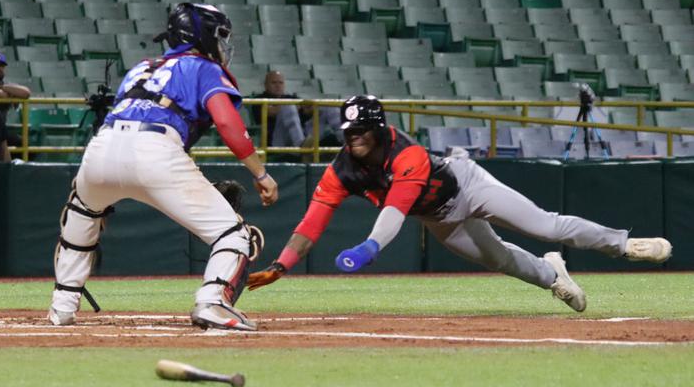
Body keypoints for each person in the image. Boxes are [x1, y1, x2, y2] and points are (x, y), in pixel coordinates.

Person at [247, 95, 672, 313]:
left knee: (545, 225)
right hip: (439, 216)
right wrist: (282, 264)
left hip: (467, 186)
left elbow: (393, 214)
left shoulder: (406, 154)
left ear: (378, 129)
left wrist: (368, 249)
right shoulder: (341, 170)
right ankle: (551, 274)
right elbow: (312, 223)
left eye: (360, 129)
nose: (353, 135)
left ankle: (623, 245)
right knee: (500, 260)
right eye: (348, 129)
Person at [48, 3, 279, 331]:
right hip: (155, 149)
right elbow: (228, 123)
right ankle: (213, 301)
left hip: (102, 146)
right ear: (200, 35)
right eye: (219, 35)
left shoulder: (142, 66)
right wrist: (261, 173)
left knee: (83, 212)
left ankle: (63, 306)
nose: (222, 43)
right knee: (233, 234)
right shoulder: (203, 67)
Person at [251, 70, 341, 148]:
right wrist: (295, 106)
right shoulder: (259, 99)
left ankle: (344, 142)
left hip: (304, 136)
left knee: (329, 108)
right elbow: (271, 112)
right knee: (288, 106)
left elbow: (307, 110)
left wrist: (315, 107)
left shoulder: (291, 98)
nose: (278, 86)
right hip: (277, 140)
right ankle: (300, 146)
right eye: (274, 83)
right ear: (266, 85)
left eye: (280, 83)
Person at [0, 51, 30, 149]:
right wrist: (8, 94)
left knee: (25, 145)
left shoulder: (6, 85)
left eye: (2, 66)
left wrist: (1, 87)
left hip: (0, 131)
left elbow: (26, 93)